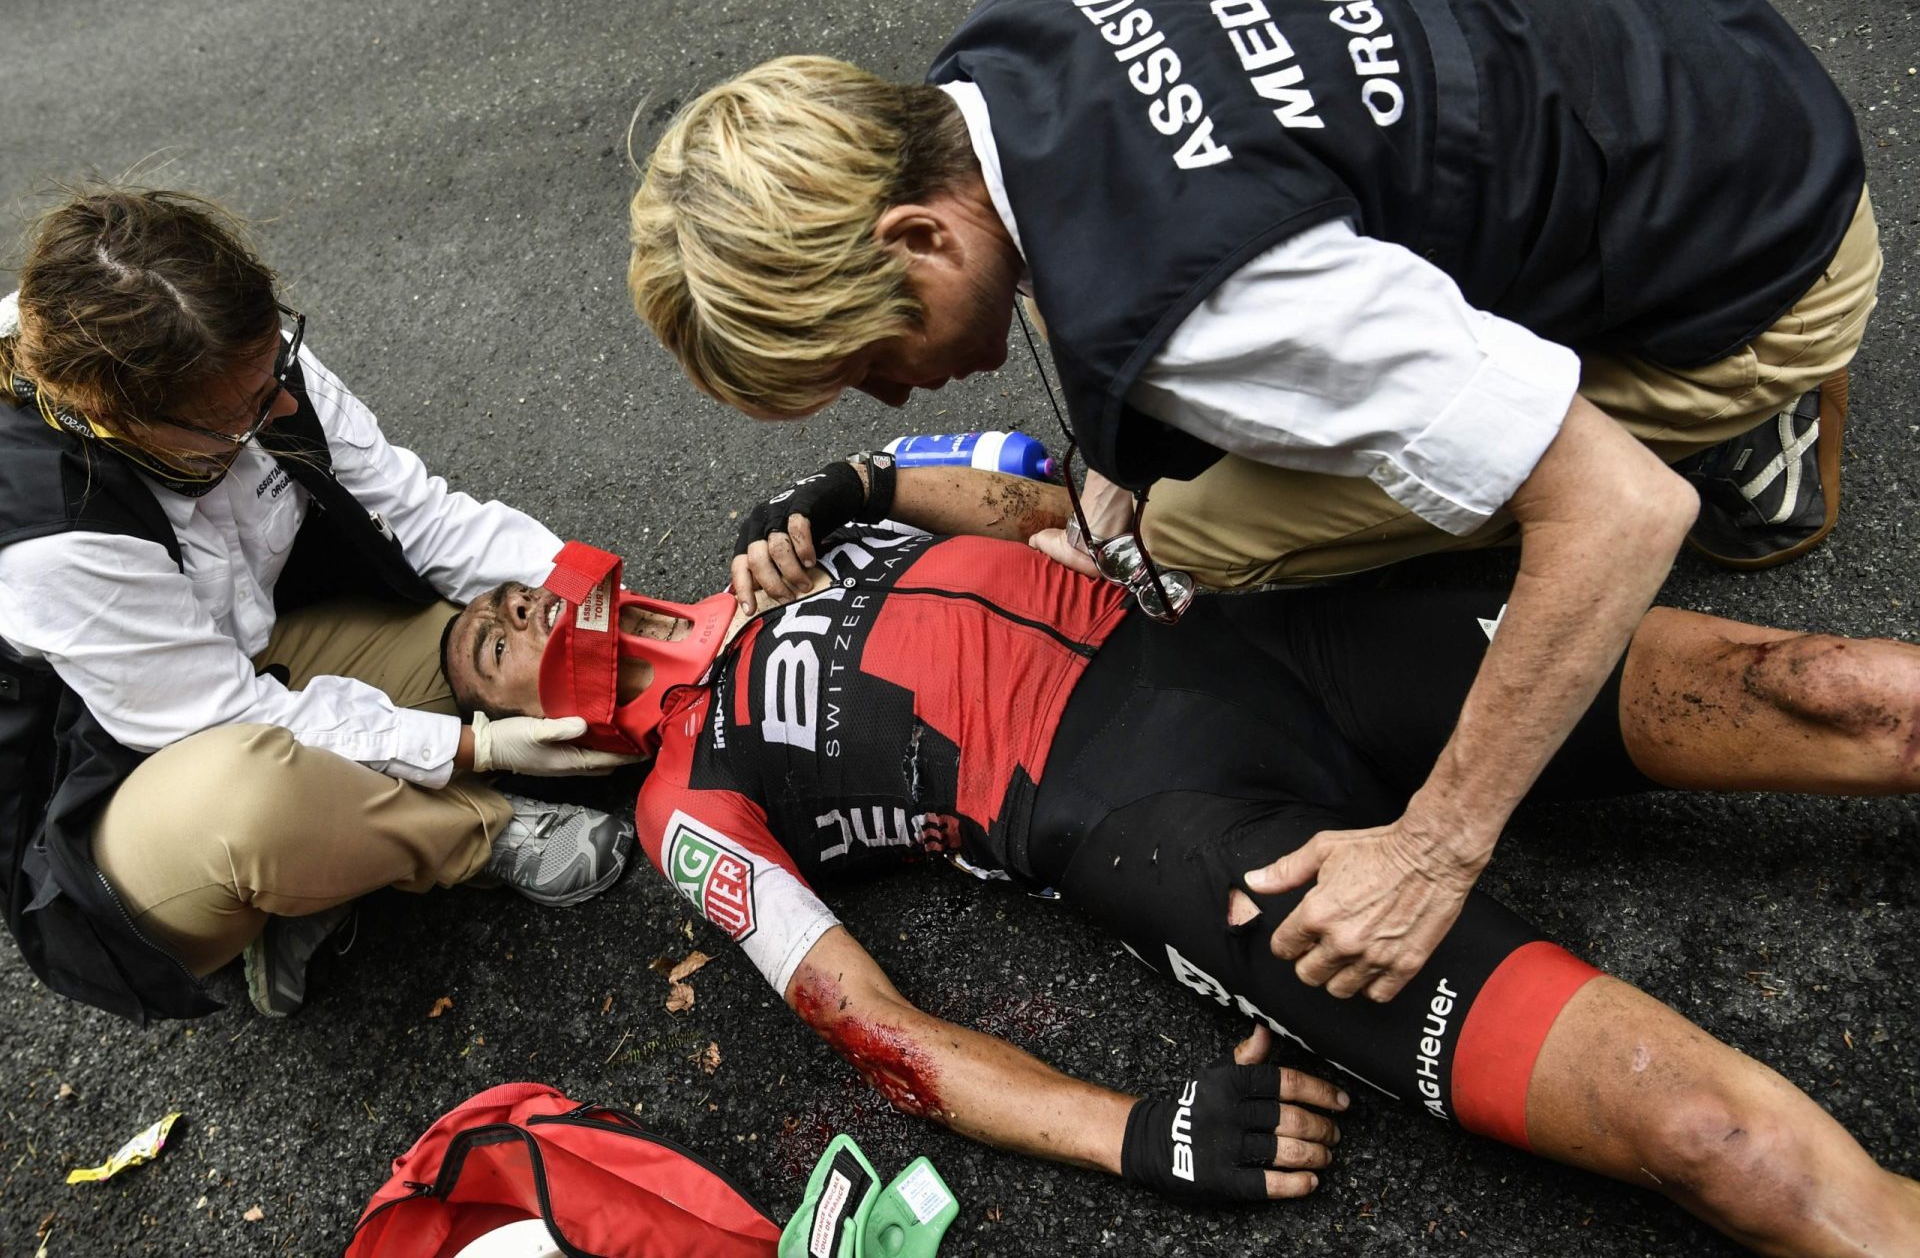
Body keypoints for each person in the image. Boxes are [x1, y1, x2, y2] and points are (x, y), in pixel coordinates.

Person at [625, 0, 1885, 1006]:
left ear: (916, 236)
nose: (894, 400)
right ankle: (1506, 398)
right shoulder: (1013, 45)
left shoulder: (1202, 310)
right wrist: (1092, 453)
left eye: (866, 359)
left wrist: (1431, 848)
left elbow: (1620, 511)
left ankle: (1745, 429)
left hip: (1769, 259)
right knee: (1160, 461)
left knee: (1202, 531)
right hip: (1693, 50)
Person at [443, 458, 1920, 1253]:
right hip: (1166, 828)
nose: (501, 618)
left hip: (1267, 650)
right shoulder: (681, 811)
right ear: (519, 734)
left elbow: (1044, 497)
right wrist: (1133, 1130)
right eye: (475, 655)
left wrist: (864, 480)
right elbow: (877, 1029)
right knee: (1717, 1147)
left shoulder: (791, 553)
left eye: (497, 598)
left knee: (1838, 692)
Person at [0, 185, 638, 1024]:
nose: (285, 409)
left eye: (275, 373)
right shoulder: (47, 522)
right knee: (256, 803)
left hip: (250, 660)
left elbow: (422, 516)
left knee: (513, 653)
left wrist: (604, 608)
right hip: (123, 794)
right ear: (117, 420)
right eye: (242, 417)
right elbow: (219, 718)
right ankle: (467, 835)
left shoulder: (215, 341)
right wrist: (474, 749)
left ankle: (333, 860)